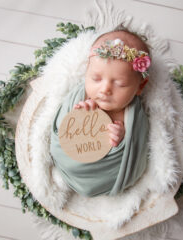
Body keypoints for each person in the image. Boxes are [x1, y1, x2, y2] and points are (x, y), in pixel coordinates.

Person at [50, 29, 151, 198]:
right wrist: (78, 119)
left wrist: (120, 139)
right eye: (96, 79)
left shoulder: (132, 116)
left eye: (120, 84)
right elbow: (62, 133)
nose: (105, 90)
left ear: (140, 86)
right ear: (86, 73)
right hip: (70, 164)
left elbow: (136, 150)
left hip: (108, 176)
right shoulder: (80, 98)